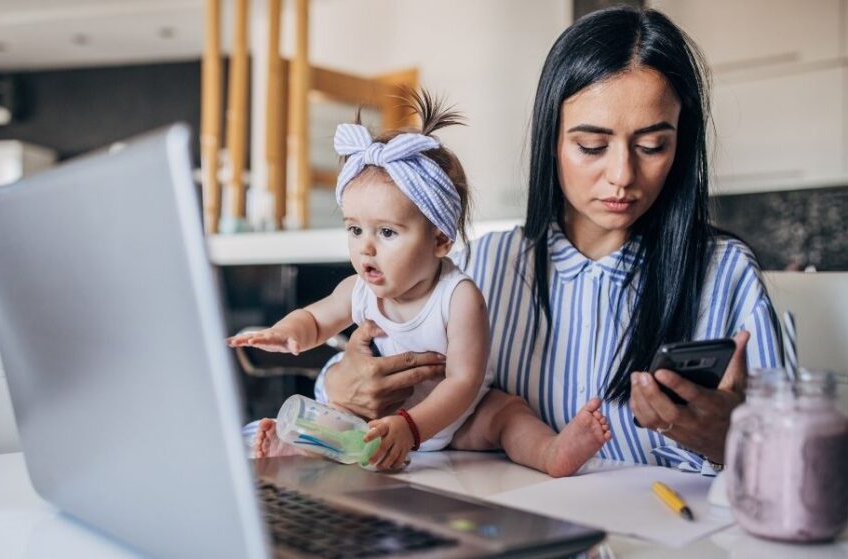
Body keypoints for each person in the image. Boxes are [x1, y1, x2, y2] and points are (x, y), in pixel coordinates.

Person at [316, 7, 782, 474]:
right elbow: (351, 392)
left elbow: (793, 467)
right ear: (552, 139)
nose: (622, 175)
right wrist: (342, 384)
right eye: (592, 147)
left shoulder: (725, 275)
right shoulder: (481, 265)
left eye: (652, 146)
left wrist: (728, 441)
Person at [231, 90, 611, 473]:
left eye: (387, 233)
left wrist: (412, 427)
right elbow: (315, 320)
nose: (366, 248)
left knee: (507, 414)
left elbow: (463, 382)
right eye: (355, 229)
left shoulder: (459, 297)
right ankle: (294, 445)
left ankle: (551, 453)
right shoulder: (358, 290)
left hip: (459, 417)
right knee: (336, 419)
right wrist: (285, 332)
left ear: (440, 240)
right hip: (385, 417)